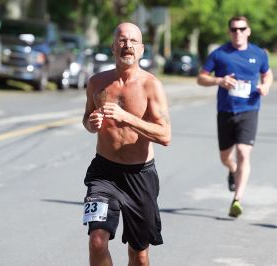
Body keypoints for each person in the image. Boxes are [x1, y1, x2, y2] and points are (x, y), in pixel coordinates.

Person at [82, 22, 171, 266]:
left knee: (139, 255)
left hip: (139, 175)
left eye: (133, 41)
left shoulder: (151, 86)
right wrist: (91, 123)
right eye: (122, 40)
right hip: (104, 173)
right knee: (97, 241)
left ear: (142, 49)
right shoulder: (97, 83)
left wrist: (127, 118)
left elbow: (165, 135)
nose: (127, 46)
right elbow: (87, 119)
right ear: (113, 47)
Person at [197, 15, 273, 218]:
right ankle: (232, 170)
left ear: (248, 30)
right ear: (229, 31)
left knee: (243, 152)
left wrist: (266, 85)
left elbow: (267, 73)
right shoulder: (219, 54)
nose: (237, 32)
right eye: (234, 29)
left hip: (249, 109)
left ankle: (237, 199)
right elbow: (201, 78)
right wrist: (219, 81)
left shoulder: (258, 54)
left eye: (241, 28)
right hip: (225, 111)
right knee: (225, 157)